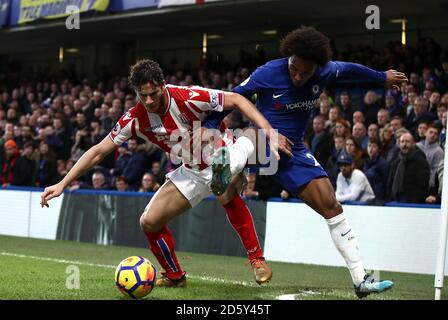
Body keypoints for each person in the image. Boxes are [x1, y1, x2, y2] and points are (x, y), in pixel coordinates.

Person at [40, 59, 292, 287]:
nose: (149, 101)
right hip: (192, 171)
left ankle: (256, 258)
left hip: (222, 152)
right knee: (149, 221)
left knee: (223, 184)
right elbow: (97, 151)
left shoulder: (188, 96)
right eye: (142, 95)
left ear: (163, 85)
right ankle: (174, 275)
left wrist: (268, 131)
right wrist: (62, 183)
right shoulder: (135, 118)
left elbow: (237, 99)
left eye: (153, 93)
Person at [204, 26, 407, 298]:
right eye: (294, 69)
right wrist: (211, 127)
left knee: (331, 205)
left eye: (305, 72)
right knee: (252, 136)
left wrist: (382, 77)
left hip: (293, 151)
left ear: (317, 68)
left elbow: (349, 70)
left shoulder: (326, 70)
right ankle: (224, 165)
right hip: (261, 142)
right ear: (288, 59)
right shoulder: (268, 72)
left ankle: (361, 280)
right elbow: (234, 98)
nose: (298, 76)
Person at [387, 133, 430, 203]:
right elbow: (390, 181)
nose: (404, 144)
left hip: (413, 202)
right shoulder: (397, 160)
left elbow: (423, 185)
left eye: (407, 141)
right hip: (396, 199)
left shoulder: (420, 160)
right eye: (402, 142)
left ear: (413, 144)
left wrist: (415, 201)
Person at [416, 123, 444, 190]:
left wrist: (430, 187)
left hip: (427, 186)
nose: (433, 135)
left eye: (435, 134)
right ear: (425, 133)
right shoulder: (417, 146)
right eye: (431, 132)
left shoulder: (439, 151)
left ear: (437, 137)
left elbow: (435, 171)